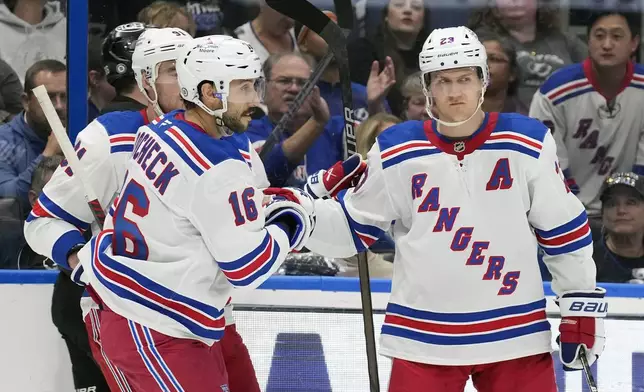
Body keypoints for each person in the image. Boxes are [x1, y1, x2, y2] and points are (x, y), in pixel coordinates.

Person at [303, 26, 605, 392]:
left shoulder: (526, 142)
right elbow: (353, 228)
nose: (454, 91)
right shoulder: (397, 149)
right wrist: (302, 216)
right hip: (423, 337)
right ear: (427, 87)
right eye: (442, 81)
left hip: (515, 335)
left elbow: (564, 231)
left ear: (483, 80)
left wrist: (579, 307)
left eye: (464, 78)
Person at [77, 36, 314, 390]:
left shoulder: (162, 129)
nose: (255, 100)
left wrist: (302, 194)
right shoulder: (217, 167)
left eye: (255, 85)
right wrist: (295, 220)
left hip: (131, 309)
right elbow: (248, 266)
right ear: (208, 92)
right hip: (156, 323)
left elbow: (219, 205)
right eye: (244, 88)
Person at [24, 27, 193, 392]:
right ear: (144, 76)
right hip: (109, 307)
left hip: (179, 316)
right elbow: (42, 219)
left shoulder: (208, 134)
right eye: (173, 70)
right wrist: (77, 258)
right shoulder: (110, 136)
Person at [529, 11, 643, 225]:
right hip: (569, 211)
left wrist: (630, 202)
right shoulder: (554, 93)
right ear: (587, 42)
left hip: (632, 213)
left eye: (617, 37)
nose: (607, 44)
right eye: (599, 36)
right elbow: (546, 160)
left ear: (634, 43)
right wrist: (572, 206)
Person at [594, 172, 644, 283]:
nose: (621, 210)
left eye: (631, 202)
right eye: (612, 204)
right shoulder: (586, 263)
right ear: (602, 214)